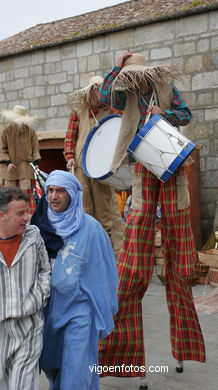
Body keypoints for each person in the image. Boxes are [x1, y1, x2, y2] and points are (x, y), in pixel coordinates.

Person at [98, 52, 205, 387]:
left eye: (136, 75)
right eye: (129, 75)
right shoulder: (124, 92)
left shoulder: (164, 85)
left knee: (181, 266)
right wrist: (118, 64)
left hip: (172, 162)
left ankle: (184, 345)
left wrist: (165, 113)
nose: (135, 80)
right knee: (132, 269)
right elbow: (102, 97)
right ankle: (122, 359)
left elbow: (185, 114)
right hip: (144, 165)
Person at [32, 170, 118, 390]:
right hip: (49, 309)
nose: (53, 196)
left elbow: (105, 270)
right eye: (50, 190)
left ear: (72, 194)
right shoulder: (39, 225)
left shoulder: (91, 228)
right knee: (55, 365)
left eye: (60, 191)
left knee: (77, 368)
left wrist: (105, 305)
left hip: (80, 310)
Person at [64, 75, 124, 257]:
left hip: (101, 168)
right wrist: (69, 156)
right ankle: (86, 249)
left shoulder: (113, 111)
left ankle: (107, 251)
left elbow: (120, 133)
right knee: (83, 207)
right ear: (90, 92)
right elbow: (70, 136)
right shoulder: (79, 111)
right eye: (96, 90)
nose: (99, 94)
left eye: (101, 90)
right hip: (80, 165)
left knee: (105, 209)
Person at [0, 186, 50, 390]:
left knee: (23, 385)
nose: (26, 218)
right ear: (2, 216)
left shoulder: (33, 237)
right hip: (1, 329)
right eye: (20, 213)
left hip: (30, 326)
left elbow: (45, 271)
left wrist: (36, 299)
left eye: (27, 212)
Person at [0, 105, 41, 213]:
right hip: (10, 167)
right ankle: (8, 213)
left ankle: (27, 213)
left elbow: (35, 148)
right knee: (9, 192)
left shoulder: (31, 132)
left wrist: (36, 162)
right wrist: (8, 162)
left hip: (26, 165)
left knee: (25, 192)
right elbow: (2, 149)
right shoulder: (6, 131)